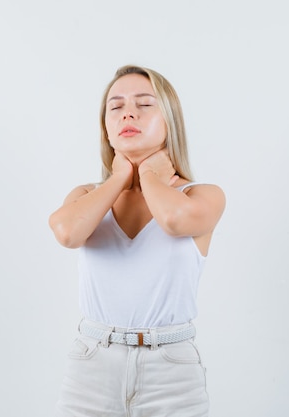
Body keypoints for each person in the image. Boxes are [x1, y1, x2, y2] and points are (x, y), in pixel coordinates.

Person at [48, 65, 226, 417]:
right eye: (115, 107)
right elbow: (67, 233)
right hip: (92, 365)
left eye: (144, 104)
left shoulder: (202, 195)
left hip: (172, 371)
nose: (128, 112)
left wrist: (147, 172)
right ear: (106, 130)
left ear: (170, 121)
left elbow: (175, 221)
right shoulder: (86, 195)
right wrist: (118, 177)